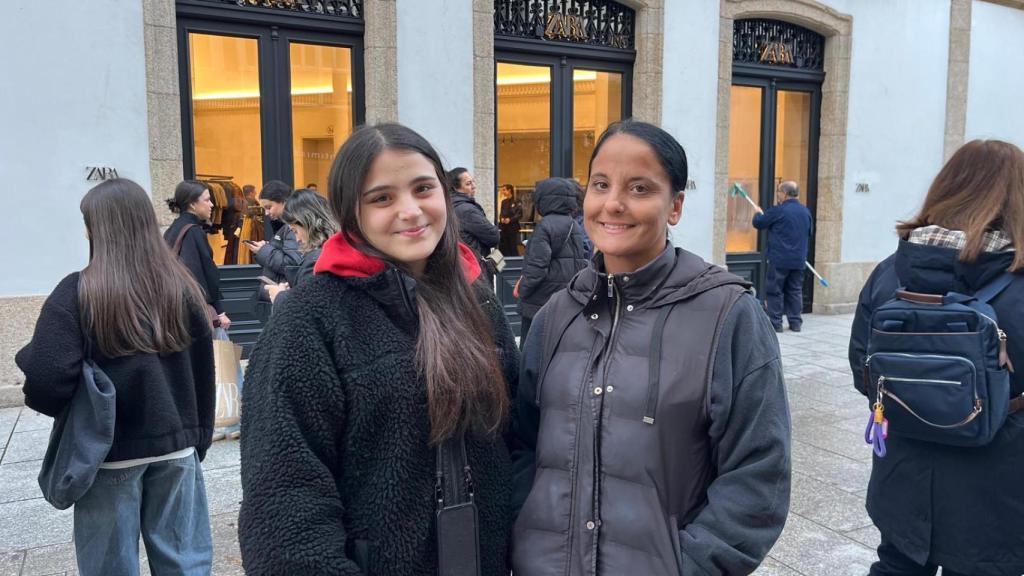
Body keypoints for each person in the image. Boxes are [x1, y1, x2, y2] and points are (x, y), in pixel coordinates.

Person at [511, 120, 790, 576]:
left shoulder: (728, 315)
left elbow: (760, 471)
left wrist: (688, 565)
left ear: (675, 205)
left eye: (639, 188)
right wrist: (526, 532)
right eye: (601, 185)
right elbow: (522, 443)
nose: (613, 204)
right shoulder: (557, 316)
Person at [238, 123, 520, 575]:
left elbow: (513, 442)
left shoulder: (477, 301)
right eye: (382, 198)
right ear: (353, 213)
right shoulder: (310, 320)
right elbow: (284, 501)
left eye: (423, 188)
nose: (410, 211)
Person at [16, 179, 215, 576]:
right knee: (185, 565)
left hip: (108, 455)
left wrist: (68, 407)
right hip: (175, 448)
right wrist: (198, 439)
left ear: (98, 228)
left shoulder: (78, 291)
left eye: (87, 223)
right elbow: (202, 372)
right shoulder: (182, 288)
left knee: (109, 567)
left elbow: (44, 378)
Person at [848, 139, 1024, 576]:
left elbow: (862, 368)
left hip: (904, 477)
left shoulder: (892, 270)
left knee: (897, 564)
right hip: (999, 486)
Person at [515, 177, 588, 343]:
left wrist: (523, 292)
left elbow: (536, 268)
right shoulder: (573, 225)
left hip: (540, 302)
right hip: (565, 299)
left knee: (532, 350)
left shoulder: (545, 226)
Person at [164, 179, 231, 330]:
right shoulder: (193, 232)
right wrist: (219, 311)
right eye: (207, 200)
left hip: (175, 307)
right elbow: (202, 274)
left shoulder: (174, 228)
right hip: (192, 311)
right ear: (193, 204)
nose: (212, 204)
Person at [752, 180, 813, 332]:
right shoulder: (806, 212)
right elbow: (810, 233)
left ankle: (776, 323)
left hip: (779, 259)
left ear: (784, 194)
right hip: (799, 260)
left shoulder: (779, 210)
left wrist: (757, 213)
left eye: (778, 192)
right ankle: (795, 322)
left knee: (775, 290)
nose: (778, 195)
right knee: (795, 290)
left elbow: (759, 223)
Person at [264, 188, 337, 306]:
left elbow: (305, 314)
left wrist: (280, 297)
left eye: (295, 231)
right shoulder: (335, 250)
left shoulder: (317, 261)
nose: (297, 239)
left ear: (307, 223)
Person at [246, 179, 302, 283]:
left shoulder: (293, 226)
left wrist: (264, 250)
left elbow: (291, 265)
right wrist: (267, 248)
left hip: (283, 290)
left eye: (269, 207)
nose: (266, 213)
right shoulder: (285, 224)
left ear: (284, 202)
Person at [448, 166, 500, 259]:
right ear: (456, 188)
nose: (474, 186)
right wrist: (492, 226)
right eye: (468, 184)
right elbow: (494, 237)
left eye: (473, 181)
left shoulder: (451, 205)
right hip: (474, 263)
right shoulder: (467, 210)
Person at [498, 183, 523, 256]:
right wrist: (501, 218)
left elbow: (519, 214)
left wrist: (510, 220)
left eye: (504, 190)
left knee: (512, 246)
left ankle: (514, 261)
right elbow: (501, 213)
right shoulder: (504, 202)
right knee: (504, 246)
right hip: (504, 227)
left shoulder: (517, 201)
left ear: (509, 190)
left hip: (513, 227)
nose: (503, 192)